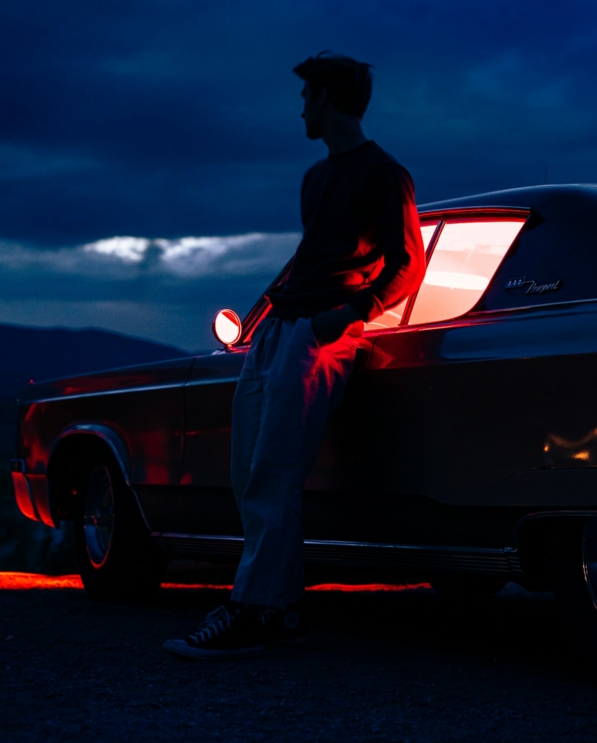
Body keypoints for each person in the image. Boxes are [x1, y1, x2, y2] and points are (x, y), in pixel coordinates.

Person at [164, 52, 426, 659]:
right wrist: (263, 320)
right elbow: (310, 255)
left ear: (329, 98)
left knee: (275, 472)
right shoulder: (316, 178)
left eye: (308, 96)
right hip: (279, 329)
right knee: (248, 471)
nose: (301, 107)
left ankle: (260, 609)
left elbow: (408, 262)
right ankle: (271, 608)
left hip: (318, 334)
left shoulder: (384, 174)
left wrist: (341, 319)